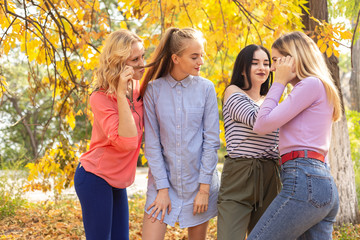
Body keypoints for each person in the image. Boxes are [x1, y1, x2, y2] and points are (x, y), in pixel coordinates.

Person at [247, 31, 341, 240]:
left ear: (293, 58)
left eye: (276, 61)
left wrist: (278, 83)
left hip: (305, 179)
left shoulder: (310, 84)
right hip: (319, 181)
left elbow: (261, 124)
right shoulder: (317, 87)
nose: (272, 68)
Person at [141, 27, 220, 240]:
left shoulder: (206, 88)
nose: (200, 61)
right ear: (175, 58)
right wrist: (163, 190)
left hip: (199, 184)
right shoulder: (153, 90)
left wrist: (204, 191)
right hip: (161, 184)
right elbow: (152, 145)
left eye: (202, 55)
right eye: (194, 56)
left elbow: (211, 142)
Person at [74, 29, 145, 240]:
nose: (142, 63)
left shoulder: (142, 89)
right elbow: (128, 143)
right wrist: (122, 96)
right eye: (135, 59)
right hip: (94, 176)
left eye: (143, 56)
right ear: (120, 64)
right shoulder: (100, 98)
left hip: (117, 180)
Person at [217, 44, 281, 240]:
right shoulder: (233, 92)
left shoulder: (272, 99)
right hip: (240, 174)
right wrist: (280, 84)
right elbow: (257, 121)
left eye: (266, 63)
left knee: (264, 236)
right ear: (243, 68)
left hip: (271, 174)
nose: (262, 68)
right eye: (255, 63)